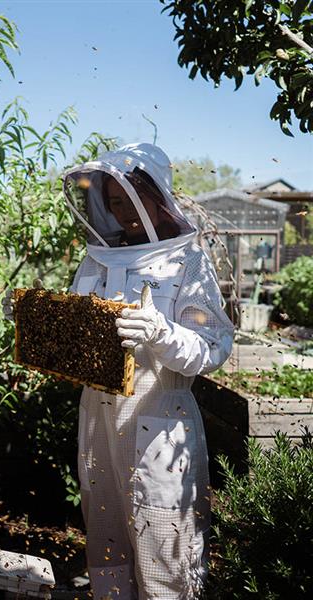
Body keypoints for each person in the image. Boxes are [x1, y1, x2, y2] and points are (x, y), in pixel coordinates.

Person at [61, 143, 234, 598]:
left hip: (159, 424)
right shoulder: (97, 258)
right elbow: (76, 338)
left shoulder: (187, 261)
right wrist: (45, 326)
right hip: (97, 422)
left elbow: (213, 347)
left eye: (131, 199)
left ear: (158, 197)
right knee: (106, 540)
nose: (123, 212)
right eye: (114, 202)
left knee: (164, 550)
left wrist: (161, 333)